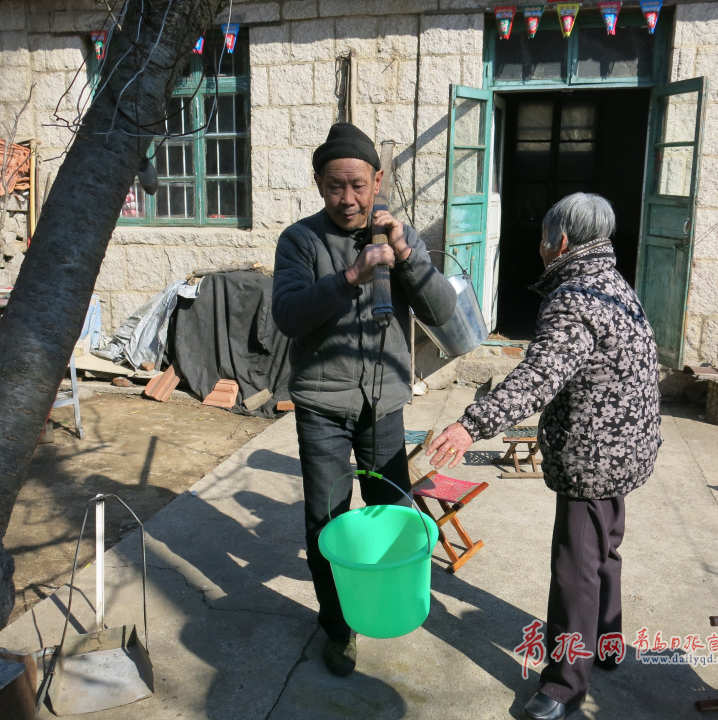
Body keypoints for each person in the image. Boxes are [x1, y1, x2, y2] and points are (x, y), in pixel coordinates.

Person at [426, 193, 661, 720]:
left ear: (558, 242)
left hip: (593, 454)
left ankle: (564, 686)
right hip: (625, 448)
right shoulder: (614, 282)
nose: (539, 246)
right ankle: (606, 642)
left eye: (541, 238)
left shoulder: (574, 298)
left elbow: (538, 378)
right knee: (605, 551)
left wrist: (471, 424)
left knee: (576, 567)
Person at [272, 122, 456, 677]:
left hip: (385, 404)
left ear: (378, 180)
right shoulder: (300, 241)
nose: (347, 199)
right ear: (319, 184)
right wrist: (352, 274)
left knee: (390, 512)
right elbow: (289, 315)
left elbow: (442, 313)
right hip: (323, 406)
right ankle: (338, 625)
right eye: (334, 186)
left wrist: (405, 255)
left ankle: (384, 598)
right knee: (328, 520)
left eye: (357, 184)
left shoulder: (397, 233)